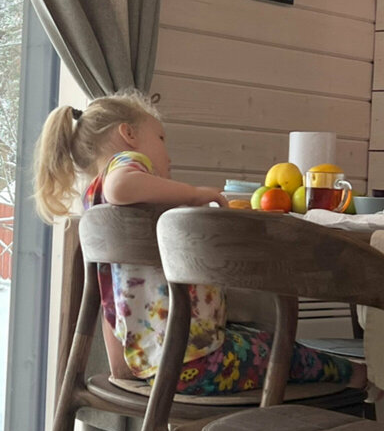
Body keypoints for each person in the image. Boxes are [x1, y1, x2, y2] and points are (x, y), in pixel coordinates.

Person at [34, 88, 364, 396]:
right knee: (285, 352)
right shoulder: (124, 165)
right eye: (160, 138)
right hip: (194, 364)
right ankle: (357, 378)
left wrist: (120, 368)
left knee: (260, 338)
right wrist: (194, 194)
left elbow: (110, 302)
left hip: (157, 365)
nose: (168, 154)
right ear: (128, 134)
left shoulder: (96, 207)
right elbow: (121, 185)